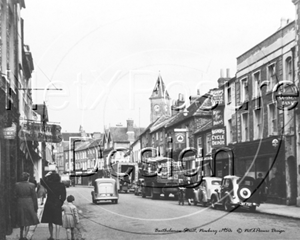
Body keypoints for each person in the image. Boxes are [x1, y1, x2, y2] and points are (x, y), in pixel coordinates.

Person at [41, 171, 66, 240]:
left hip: (49, 203)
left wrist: (47, 175)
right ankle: (57, 237)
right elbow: (63, 196)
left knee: (50, 221)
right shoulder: (61, 185)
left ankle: (51, 236)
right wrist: (60, 203)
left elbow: (42, 181)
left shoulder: (49, 184)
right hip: (57, 203)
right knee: (57, 221)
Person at [15, 172, 39, 240]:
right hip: (29, 202)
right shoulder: (32, 185)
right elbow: (34, 197)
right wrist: (35, 207)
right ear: (28, 178)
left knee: (21, 219)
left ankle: (21, 235)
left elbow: (15, 195)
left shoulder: (16, 185)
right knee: (28, 220)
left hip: (20, 202)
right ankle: (25, 236)